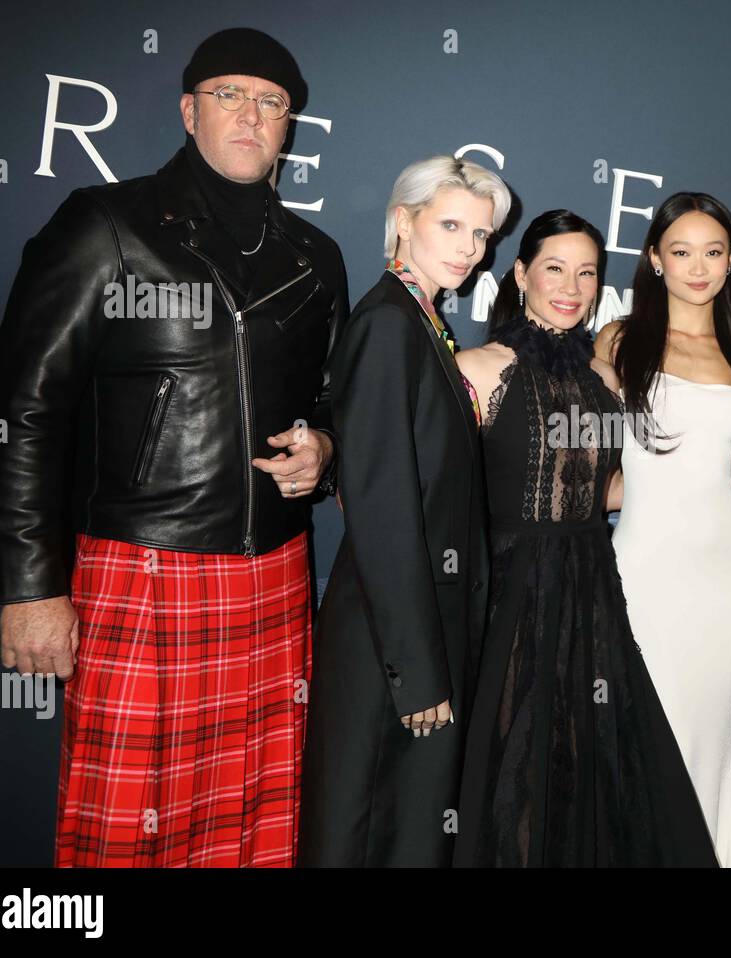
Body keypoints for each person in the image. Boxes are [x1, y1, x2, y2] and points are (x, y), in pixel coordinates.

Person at [0, 27, 347, 867]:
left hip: (277, 573)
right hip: (140, 571)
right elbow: (25, 409)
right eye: (230, 96)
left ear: (289, 125)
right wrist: (31, 588)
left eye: (272, 103)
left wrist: (323, 443)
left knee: (260, 816)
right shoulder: (107, 224)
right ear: (189, 110)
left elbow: (330, 396)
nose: (251, 116)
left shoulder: (315, 257)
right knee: (121, 825)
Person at [453, 210, 717, 866]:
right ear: (520, 273)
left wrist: (702, 470)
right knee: (513, 764)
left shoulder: (603, 378)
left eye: (586, 272)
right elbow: (426, 488)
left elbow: (605, 490)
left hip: (591, 581)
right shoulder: (478, 369)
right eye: (553, 268)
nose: (570, 286)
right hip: (511, 593)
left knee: (588, 761)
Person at [299, 155, 511, 867]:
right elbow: (383, 507)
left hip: (413, 638)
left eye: (481, 234)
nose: (468, 248)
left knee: (408, 838)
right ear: (402, 221)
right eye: (450, 225)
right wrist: (418, 673)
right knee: (372, 836)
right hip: (393, 650)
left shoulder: (421, 321)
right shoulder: (390, 323)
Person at [594, 192, 731, 867]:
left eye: (714, 251)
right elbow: (588, 457)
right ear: (655, 260)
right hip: (644, 566)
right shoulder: (618, 339)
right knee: (639, 735)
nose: (699, 266)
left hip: (723, 573)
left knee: (707, 736)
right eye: (682, 250)